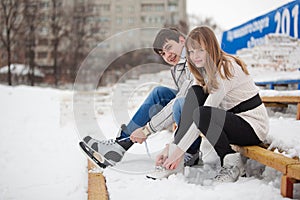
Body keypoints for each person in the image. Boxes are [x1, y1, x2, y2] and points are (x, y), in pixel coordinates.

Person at [150, 26, 269, 182]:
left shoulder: (226, 68)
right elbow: (190, 113)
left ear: (210, 47)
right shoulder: (202, 71)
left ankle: (232, 164)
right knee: (194, 94)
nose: (195, 56)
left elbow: (204, 116)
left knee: (203, 114)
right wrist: (171, 148)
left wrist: (177, 153)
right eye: (191, 52)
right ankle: (174, 163)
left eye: (200, 50)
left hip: (252, 127)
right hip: (232, 121)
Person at [83, 28, 203, 168]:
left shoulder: (194, 59)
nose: (167, 55)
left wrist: (147, 130)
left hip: (210, 110)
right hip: (194, 106)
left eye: (169, 47)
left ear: (182, 40)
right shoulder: (178, 67)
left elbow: (184, 101)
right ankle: (120, 145)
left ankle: (190, 151)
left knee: (180, 103)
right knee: (159, 93)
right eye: (163, 54)